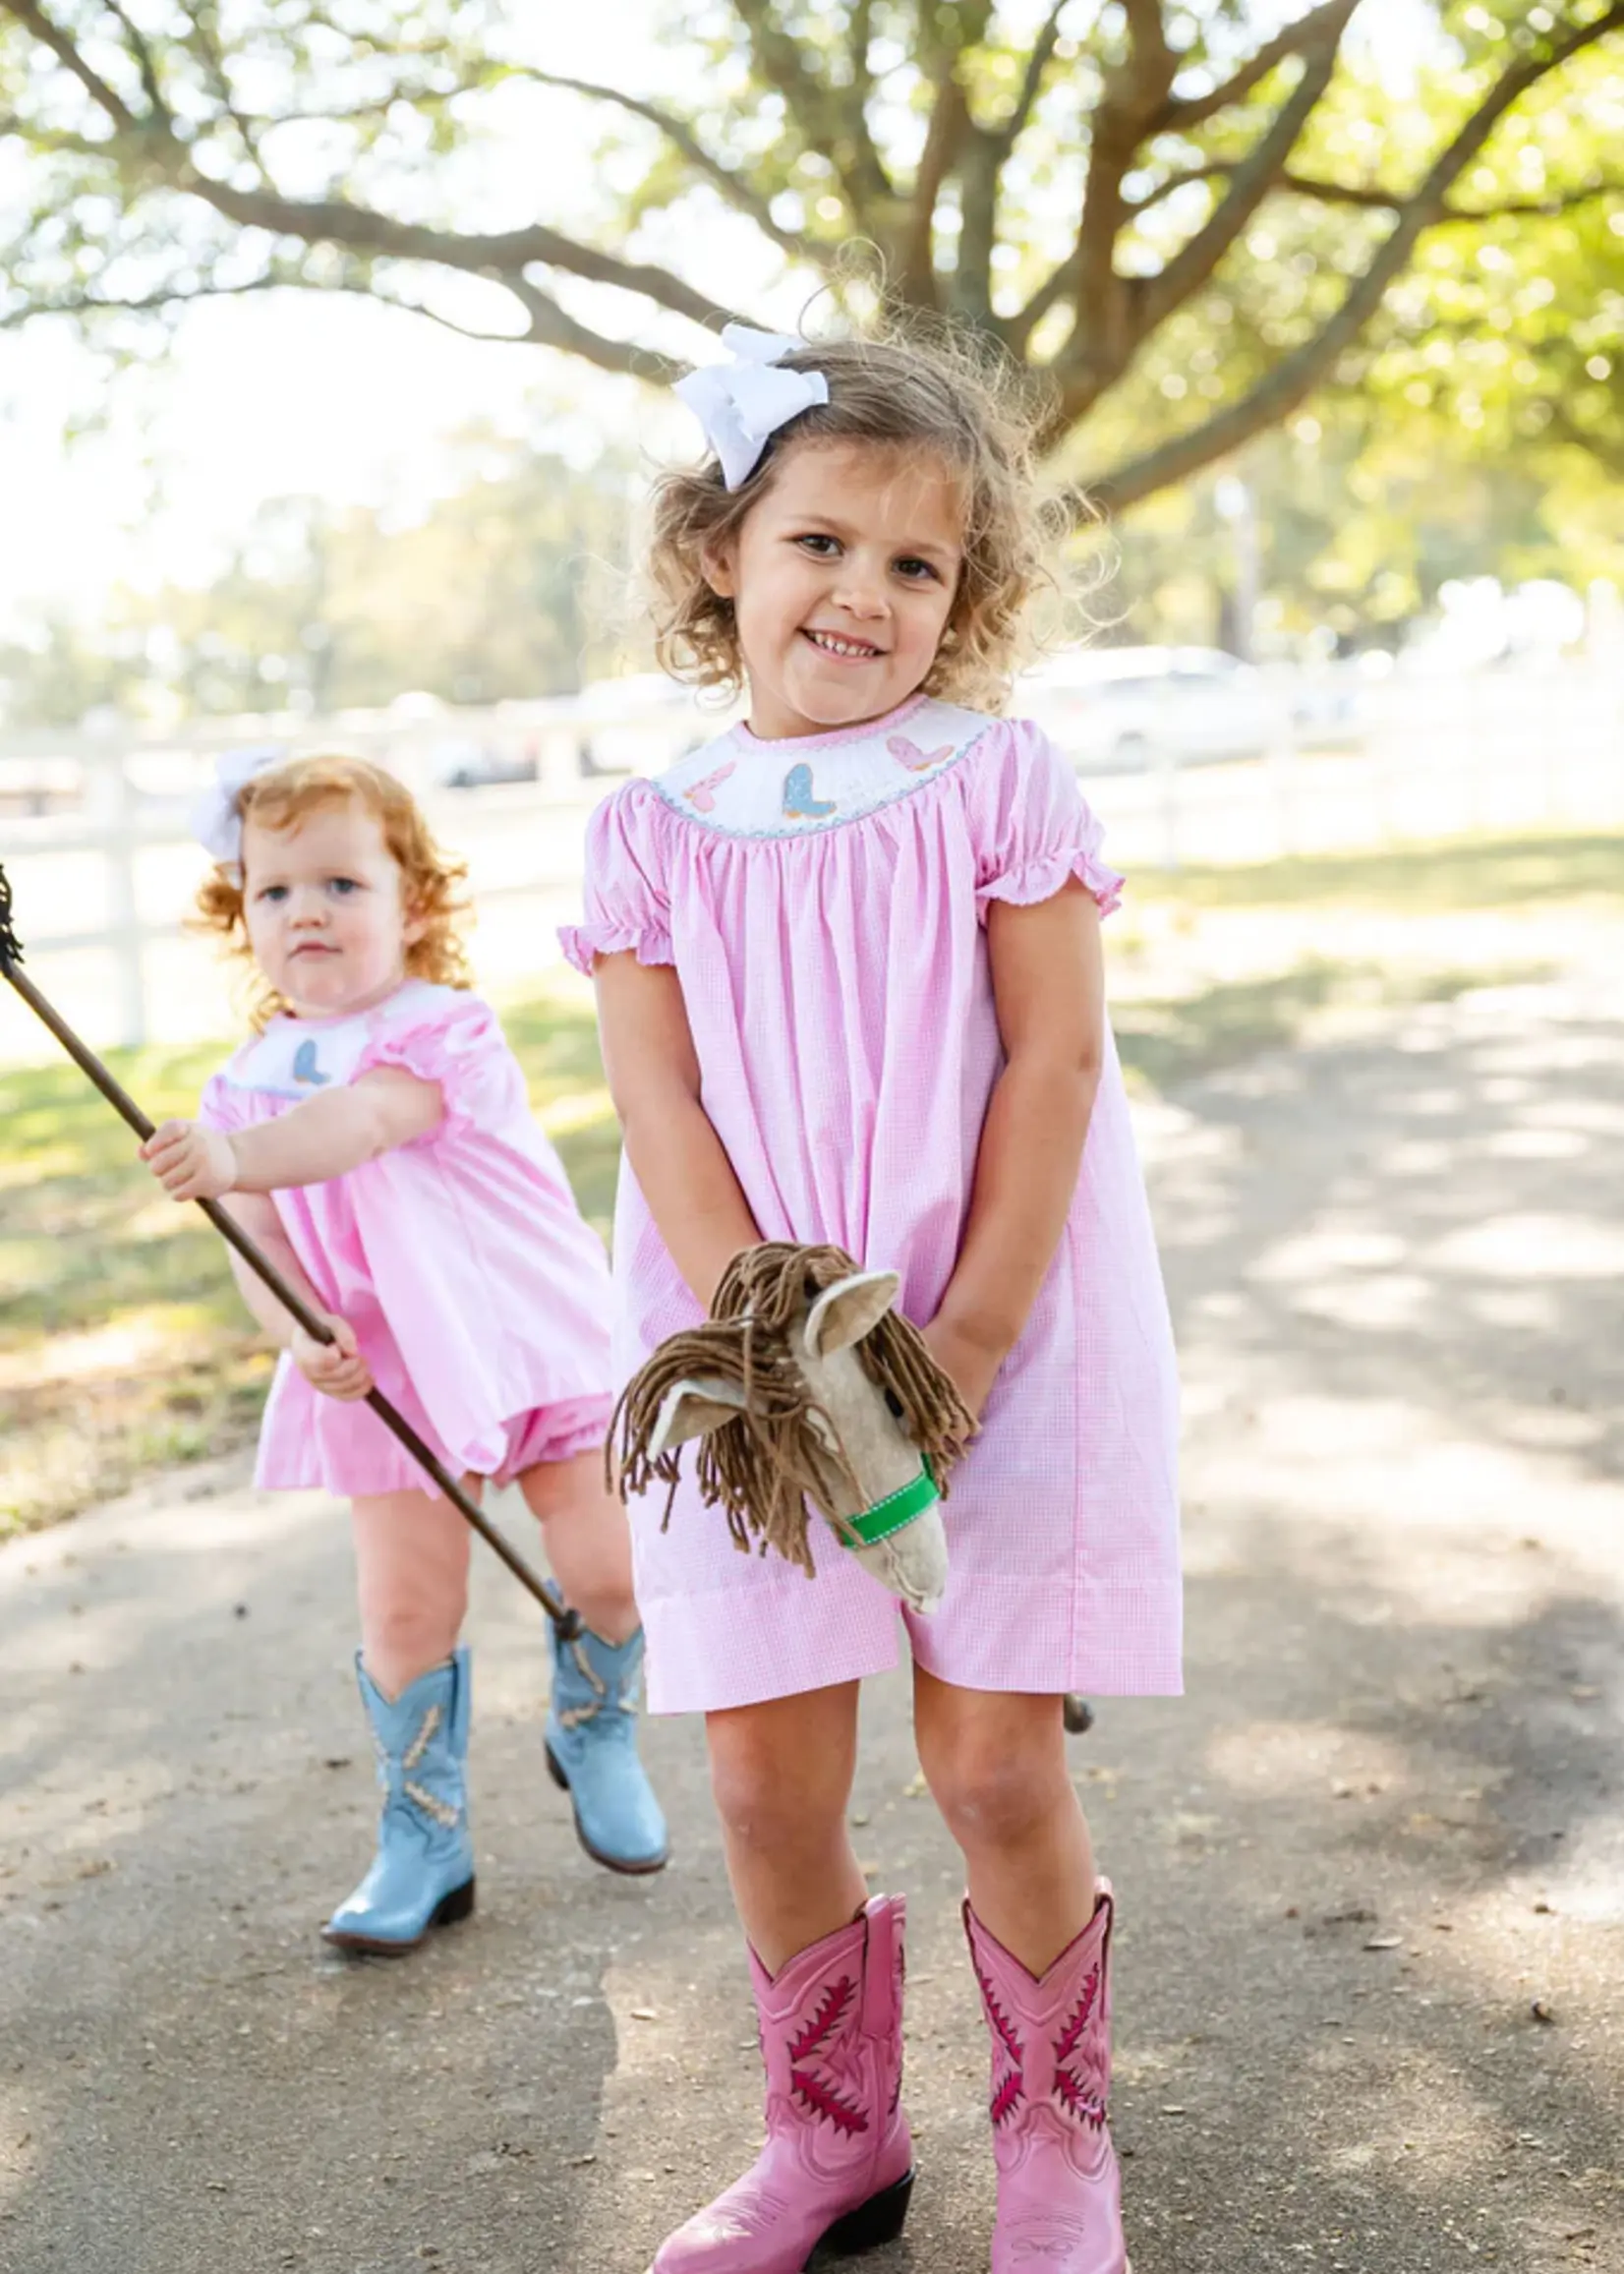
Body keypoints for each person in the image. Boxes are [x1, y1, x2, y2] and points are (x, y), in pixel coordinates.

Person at [562, 321, 1182, 2274]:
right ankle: (830, 2138)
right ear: (718, 555)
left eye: (916, 567)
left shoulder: (994, 781)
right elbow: (654, 1091)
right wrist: (764, 1347)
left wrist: (970, 1335)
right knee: (758, 1774)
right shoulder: (648, 829)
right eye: (821, 541)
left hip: (994, 1318)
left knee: (993, 1756)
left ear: (963, 601)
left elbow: (1052, 1066)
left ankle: (1055, 2146)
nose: (864, 593)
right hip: (748, 1363)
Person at [142, 750, 667, 1954]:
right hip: (385, 1369)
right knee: (406, 1611)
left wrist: (232, 1158)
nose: (305, 912)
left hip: (525, 1333)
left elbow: (360, 1125)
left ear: (413, 904)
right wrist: (294, 1328)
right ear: (242, 914)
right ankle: (422, 1837)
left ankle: (594, 1726)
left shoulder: (445, 1031)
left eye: (339, 882)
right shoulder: (239, 1087)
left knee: (605, 1568)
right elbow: (257, 1239)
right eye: (272, 892)